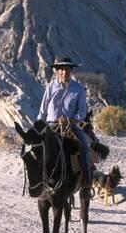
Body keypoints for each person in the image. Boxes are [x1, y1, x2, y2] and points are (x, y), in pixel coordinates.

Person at [37, 56, 92, 184]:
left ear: (71, 71)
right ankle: (37, 181)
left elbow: (82, 112)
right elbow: (42, 110)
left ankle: (86, 184)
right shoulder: (51, 87)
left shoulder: (78, 89)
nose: (64, 72)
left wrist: (70, 120)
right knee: (35, 148)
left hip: (70, 126)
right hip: (51, 126)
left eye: (67, 69)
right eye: (61, 69)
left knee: (84, 147)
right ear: (57, 71)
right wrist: (38, 127)